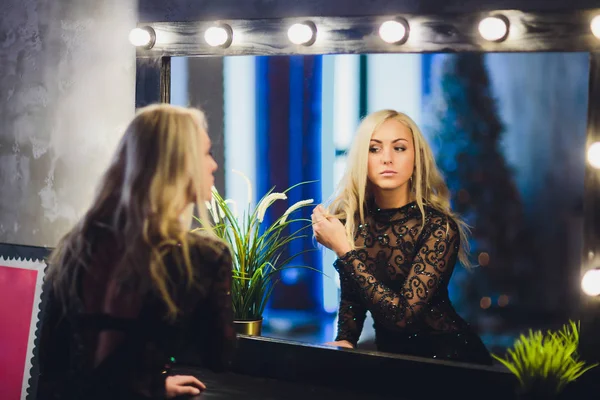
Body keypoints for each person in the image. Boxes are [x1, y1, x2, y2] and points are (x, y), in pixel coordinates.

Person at [37, 104, 236, 399]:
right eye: (206, 153)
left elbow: (61, 365)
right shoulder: (202, 257)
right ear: (178, 164)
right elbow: (220, 357)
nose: (213, 165)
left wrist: (152, 385)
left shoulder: (77, 245)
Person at [312, 109, 492, 365]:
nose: (387, 158)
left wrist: (344, 250)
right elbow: (354, 298)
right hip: (393, 361)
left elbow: (402, 316)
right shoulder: (355, 222)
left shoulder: (438, 227)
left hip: (450, 362)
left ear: (416, 158)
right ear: (362, 159)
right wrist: (346, 339)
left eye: (399, 148)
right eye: (374, 149)